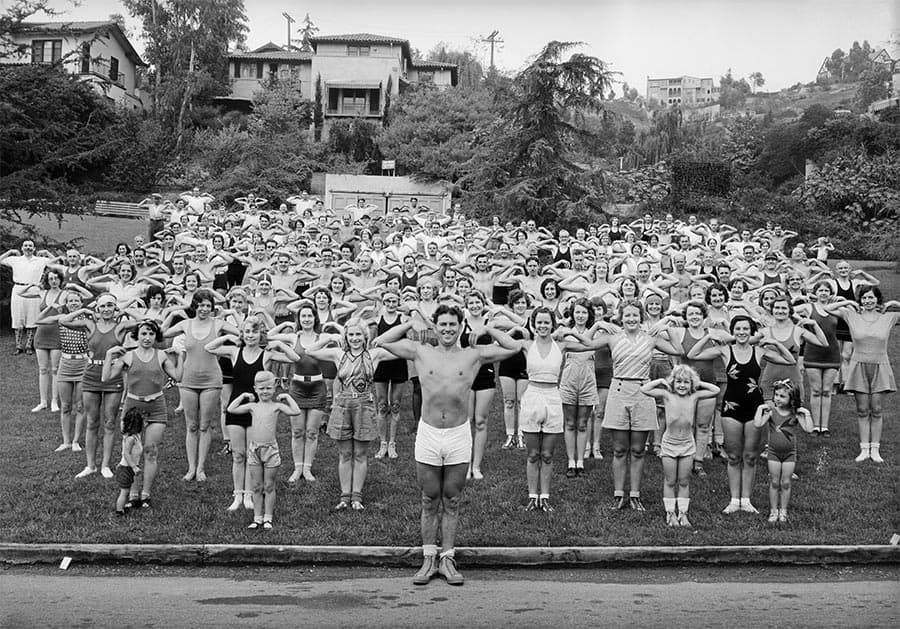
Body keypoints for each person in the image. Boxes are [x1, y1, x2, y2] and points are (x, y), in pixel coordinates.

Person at [373, 304, 519, 586]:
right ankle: (429, 558)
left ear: (461, 326)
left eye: (453, 324)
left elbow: (513, 347)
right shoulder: (421, 351)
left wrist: (488, 329)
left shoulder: (474, 354)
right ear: (436, 326)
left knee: (452, 499)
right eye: (443, 324)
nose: (448, 329)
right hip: (428, 434)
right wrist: (411, 324)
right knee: (429, 498)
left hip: (457, 434)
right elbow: (381, 340)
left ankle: (447, 558)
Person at [686, 315, 796, 514]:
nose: (742, 332)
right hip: (731, 407)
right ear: (733, 331)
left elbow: (790, 360)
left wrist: (775, 343)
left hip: (754, 407)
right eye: (738, 329)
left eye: (745, 329)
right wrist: (708, 336)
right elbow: (693, 354)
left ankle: (746, 500)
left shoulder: (759, 351)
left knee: (751, 456)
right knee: (734, 456)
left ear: (751, 331)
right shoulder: (724, 350)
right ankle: (734, 500)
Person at [302, 318, 397, 511]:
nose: (354, 338)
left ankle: (356, 497)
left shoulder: (374, 354)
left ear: (365, 336)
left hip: (364, 405)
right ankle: (345, 496)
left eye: (358, 334)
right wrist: (330, 337)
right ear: (346, 337)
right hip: (343, 405)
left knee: (360, 454)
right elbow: (310, 351)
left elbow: (402, 352)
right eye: (351, 334)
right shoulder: (339, 354)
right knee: (345, 453)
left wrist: (383, 340)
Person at [102, 320, 181, 509]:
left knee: (151, 451)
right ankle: (133, 493)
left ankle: (146, 493)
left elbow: (178, 376)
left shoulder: (161, 355)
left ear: (156, 336)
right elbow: (106, 377)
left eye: (151, 334)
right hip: (133, 408)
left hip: (156, 406)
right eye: (144, 333)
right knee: (131, 452)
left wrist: (181, 356)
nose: (147, 338)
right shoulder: (128, 356)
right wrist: (109, 355)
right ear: (137, 335)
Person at [163, 289, 240, 481]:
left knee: (205, 425)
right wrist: (171, 313)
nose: (204, 309)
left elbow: (243, 333)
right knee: (191, 425)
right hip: (188, 379)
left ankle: (201, 468)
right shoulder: (185, 324)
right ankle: (191, 468)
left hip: (211, 379)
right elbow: (162, 333)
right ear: (194, 306)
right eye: (201, 305)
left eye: (208, 306)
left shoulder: (219, 323)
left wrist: (233, 314)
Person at [641, 365, 720, 527]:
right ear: (673, 382)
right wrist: (661, 381)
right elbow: (644, 389)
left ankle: (683, 514)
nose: (682, 385)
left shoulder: (694, 396)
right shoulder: (667, 395)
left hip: (687, 445)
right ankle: (670, 514)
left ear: (691, 384)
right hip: (670, 444)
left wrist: (698, 383)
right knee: (670, 480)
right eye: (678, 382)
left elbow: (715, 390)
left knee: (684, 481)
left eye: (686, 382)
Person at [830, 286, 900, 463]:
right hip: (858, 366)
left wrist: (893, 303)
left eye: (871, 298)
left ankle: (875, 449)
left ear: (877, 299)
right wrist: (848, 301)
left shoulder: (889, 317)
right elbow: (826, 308)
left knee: (876, 409)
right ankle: (864, 449)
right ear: (860, 300)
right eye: (864, 298)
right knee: (862, 410)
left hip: (880, 366)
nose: (868, 301)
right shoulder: (851, 315)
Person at [227, 370, 301, 530]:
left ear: (274, 388)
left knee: (269, 485)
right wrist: (243, 396)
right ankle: (257, 518)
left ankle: (268, 517)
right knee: (256, 486)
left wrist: (287, 397)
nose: (265, 391)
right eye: (261, 388)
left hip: (270, 451)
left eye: (268, 388)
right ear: (255, 389)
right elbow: (231, 409)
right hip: (254, 450)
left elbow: (296, 411)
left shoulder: (276, 406)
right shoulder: (252, 406)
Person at [753, 380, 813, 523]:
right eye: (776, 395)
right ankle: (773, 511)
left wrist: (807, 413)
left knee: (786, 483)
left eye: (782, 396)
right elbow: (757, 424)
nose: (778, 399)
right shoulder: (771, 412)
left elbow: (809, 429)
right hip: (773, 453)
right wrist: (760, 409)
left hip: (790, 454)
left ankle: (783, 511)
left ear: (791, 399)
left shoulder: (795, 414)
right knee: (774, 482)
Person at [0, 240, 52, 354]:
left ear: (34, 249)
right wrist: (9, 252)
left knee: (32, 317)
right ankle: (18, 346)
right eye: (26, 246)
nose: (28, 248)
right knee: (18, 317)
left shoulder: (40, 260)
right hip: (18, 289)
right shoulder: (15, 260)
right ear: (22, 248)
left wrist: (47, 253)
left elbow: (57, 263)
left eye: (30, 246)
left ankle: (29, 345)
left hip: (34, 289)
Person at [114, 408, 144, 516]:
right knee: (124, 491)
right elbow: (126, 454)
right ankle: (119, 511)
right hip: (126, 468)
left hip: (129, 468)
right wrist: (134, 467)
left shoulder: (136, 436)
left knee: (126, 490)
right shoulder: (130, 439)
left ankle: (122, 508)